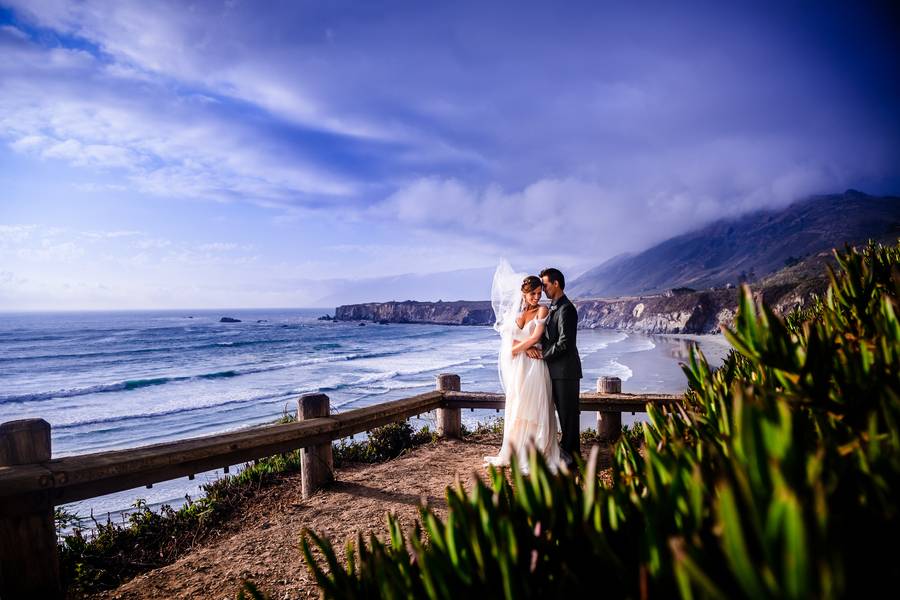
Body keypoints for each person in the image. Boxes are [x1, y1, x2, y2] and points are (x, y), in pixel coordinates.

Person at [484, 261, 560, 472]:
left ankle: (536, 452)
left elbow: (536, 336)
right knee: (518, 407)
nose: (537, 297)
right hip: (520, 367)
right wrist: (524, 349)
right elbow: (508, 341)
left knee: (535, 409)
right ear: (523, 295)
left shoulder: (542, 310)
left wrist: (517, 349)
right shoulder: (516, 316)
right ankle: (517, 451)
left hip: (535, 368)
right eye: (533, 294)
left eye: (539, 293)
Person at [526, 267, 582, 468]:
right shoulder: (554, 307)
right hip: (555, 371)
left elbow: (565, 343)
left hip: (566, 372)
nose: (543, 289)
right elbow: (547, 337)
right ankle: (565, 454)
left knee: (568, 416)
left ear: (556, 284)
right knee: (561, 414)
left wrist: (542, 355)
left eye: (546, 285)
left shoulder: (566, 309)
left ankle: (573, 459)